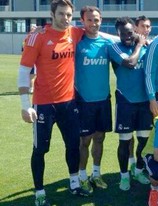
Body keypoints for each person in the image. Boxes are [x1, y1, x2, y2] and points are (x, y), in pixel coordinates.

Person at [18, 0, 89, 205]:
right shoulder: (37, 36)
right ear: (52, 14)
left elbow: (98, 33)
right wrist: (25, 105)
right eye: (61, 14)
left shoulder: (74, 33)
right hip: (44, 104)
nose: (65, 18)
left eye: (68, 15)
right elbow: (24, 71)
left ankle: (74, 184)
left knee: (73, 145)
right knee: (40, 150)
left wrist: (142, 39)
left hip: (68, 103)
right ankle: (40, 194)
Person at [109, 16, 151, 191]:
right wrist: (139, 45)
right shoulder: (114, 48)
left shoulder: (146, 45)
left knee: (144, 141)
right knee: (125, 141)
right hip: (126, 100)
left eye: (130, 32)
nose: (127, 35)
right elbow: (130, 63)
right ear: (118, 33)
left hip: (145, 101)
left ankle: (139, 170)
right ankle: (124, 176)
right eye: (123, 33)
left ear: (135, 30)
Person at [75, 5, 114, 193]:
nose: (93, 23)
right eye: (89, 19)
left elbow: (126, 41)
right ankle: (82, 177)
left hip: (103, 100)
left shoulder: (106, 43)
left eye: (96, 19)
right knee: (84, 141)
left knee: (100, 138)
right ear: (82, 21)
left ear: (101, 21)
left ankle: (96, 174)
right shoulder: (76, 42)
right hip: (83, 101)